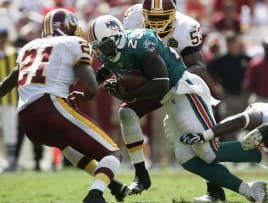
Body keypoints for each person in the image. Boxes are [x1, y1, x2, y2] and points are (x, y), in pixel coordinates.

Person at [87, 14, 268, 203]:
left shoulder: (142, 42)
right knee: (189, 160)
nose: (102, 52)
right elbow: (114, 67)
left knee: (209, 152)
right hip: (170, 100)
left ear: (117, 37)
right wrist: (100, 82)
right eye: (99, 48)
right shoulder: (108, 52)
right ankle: (250, 190)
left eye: (104, 46)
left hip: (183, 91)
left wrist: (126, 93)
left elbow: (161, 82)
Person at [0, 9, 128, 203]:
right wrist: (84, 96)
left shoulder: (29, 46)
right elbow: (92, 88)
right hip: (50, 105)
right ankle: (95, 195)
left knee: (68, 148)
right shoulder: (74, 42)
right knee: (112, 153)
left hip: (26, 117)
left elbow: (8, 83)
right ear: (70, 27)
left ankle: (113, 184)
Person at [120, 0, 226, 200]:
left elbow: (199, 66)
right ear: (142, 14)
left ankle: (215, 190)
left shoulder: (186, 27)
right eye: (152, 18)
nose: (157, 25)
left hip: (179, 86)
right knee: (126, 113)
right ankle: (141, 175)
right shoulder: (132, 18)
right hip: (152, 84)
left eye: (162, 18)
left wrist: (171, 77)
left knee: (198, 137)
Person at [0, 27, 18, 172]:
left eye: (4, 36)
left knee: (10, 130)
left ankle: (11, 163)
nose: (2, 39)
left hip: (10, 100)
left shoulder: (14, 53)